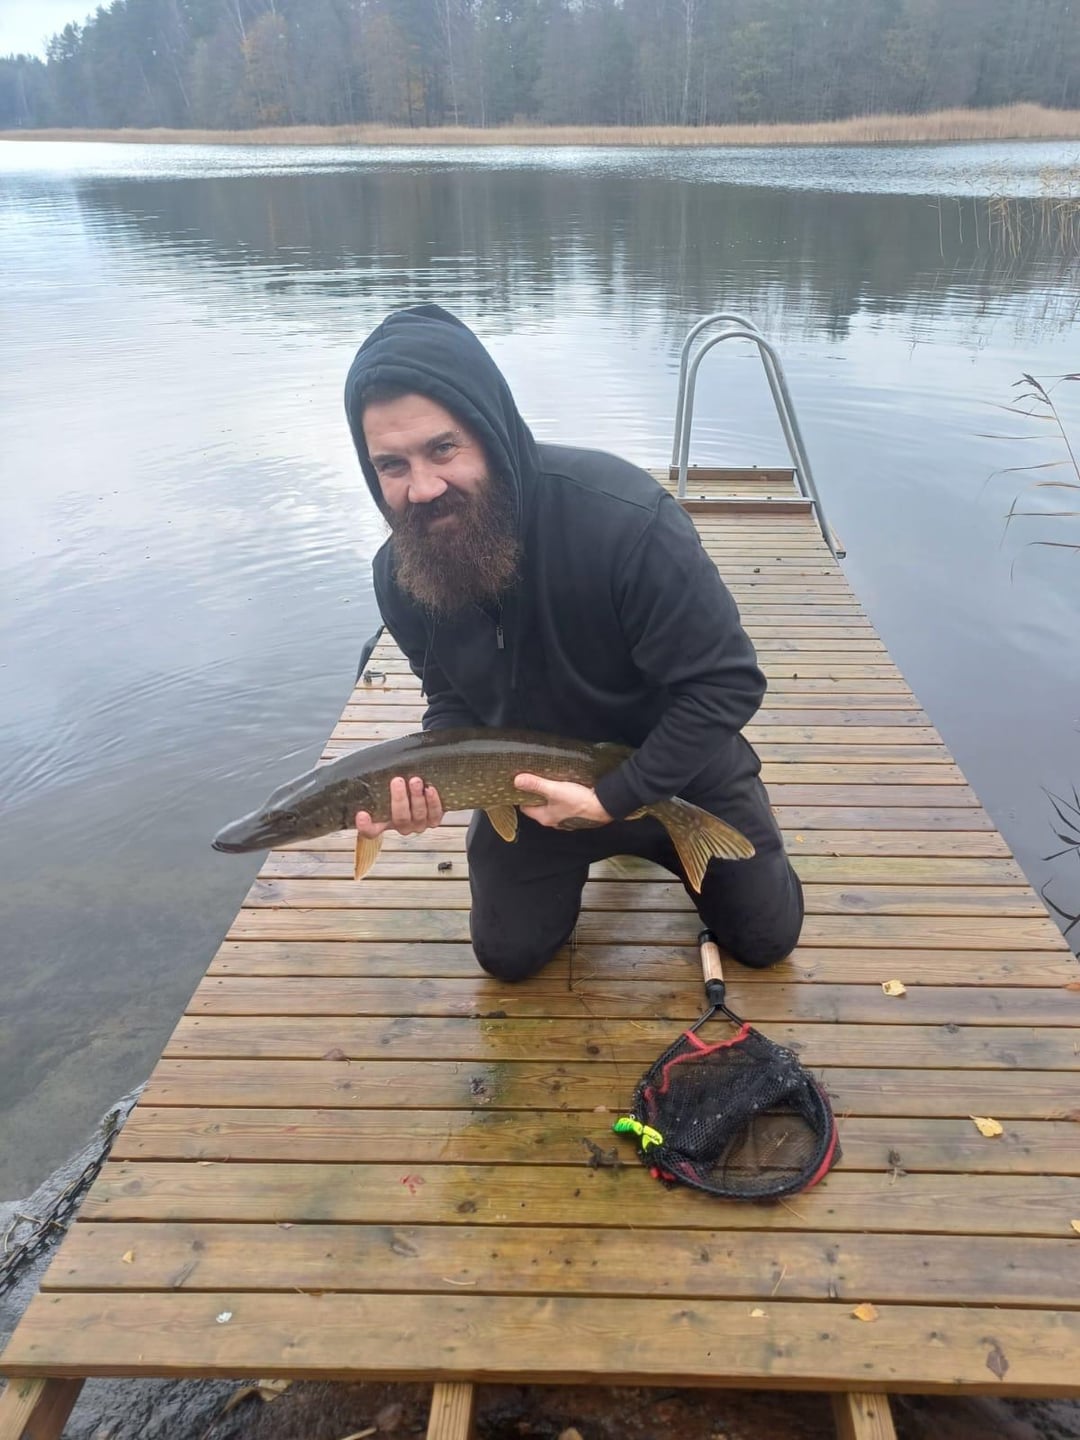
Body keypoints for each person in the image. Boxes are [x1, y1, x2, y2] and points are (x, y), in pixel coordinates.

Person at [343, 303, 803, 982]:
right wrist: (430, 779)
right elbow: (450, 696)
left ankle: (698, 833)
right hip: (531, 794)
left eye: (443, 449)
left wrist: (618, 796)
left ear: (490, 432)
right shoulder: (403, 573)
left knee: (767, 939)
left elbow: (727, 684)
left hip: (675, 768)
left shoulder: (625, 523)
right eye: (391, 464)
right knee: (508, 957)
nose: (424, 487)